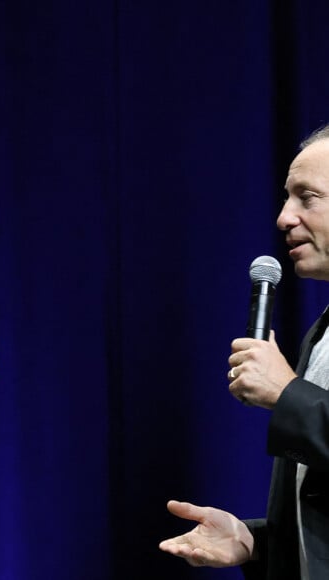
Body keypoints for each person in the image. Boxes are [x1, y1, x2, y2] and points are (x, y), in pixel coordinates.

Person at [159, 124, 329, 579]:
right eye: (286, 197)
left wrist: (288, 394)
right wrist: (254, 540)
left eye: (306, 197)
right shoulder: (322, 332)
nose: (283, 217)